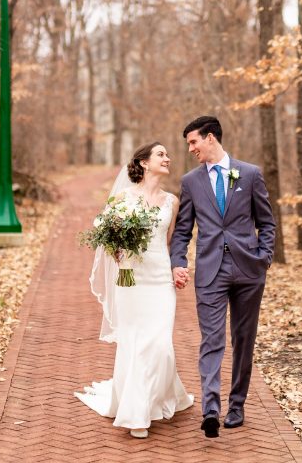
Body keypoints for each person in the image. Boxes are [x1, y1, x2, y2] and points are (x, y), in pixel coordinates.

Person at [76, 142, 194, 439]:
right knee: (135, 343)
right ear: (143, 163)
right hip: (131, 279)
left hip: (159, 281)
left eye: (167, 155)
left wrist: (175, 268)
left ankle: (157, 396)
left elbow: (170, 243)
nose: (167, 158)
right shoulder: (122, 199)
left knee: (161, 345)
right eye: (161, 154)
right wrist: (119, 254)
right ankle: (137, 413)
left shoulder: (172, 201)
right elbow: (107, 240)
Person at [170, 116, 276, 438]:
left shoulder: (250, 174)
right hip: (210, 270)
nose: (190, 149)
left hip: (248, 270)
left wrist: (264, 258)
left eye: (193, 142)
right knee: (212, 340)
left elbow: (267, 223)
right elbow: (183, 231)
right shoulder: (190, 182)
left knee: (243, 340)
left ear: (211, 138)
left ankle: (238, 405)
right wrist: (178, 261)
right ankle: (211, 409)